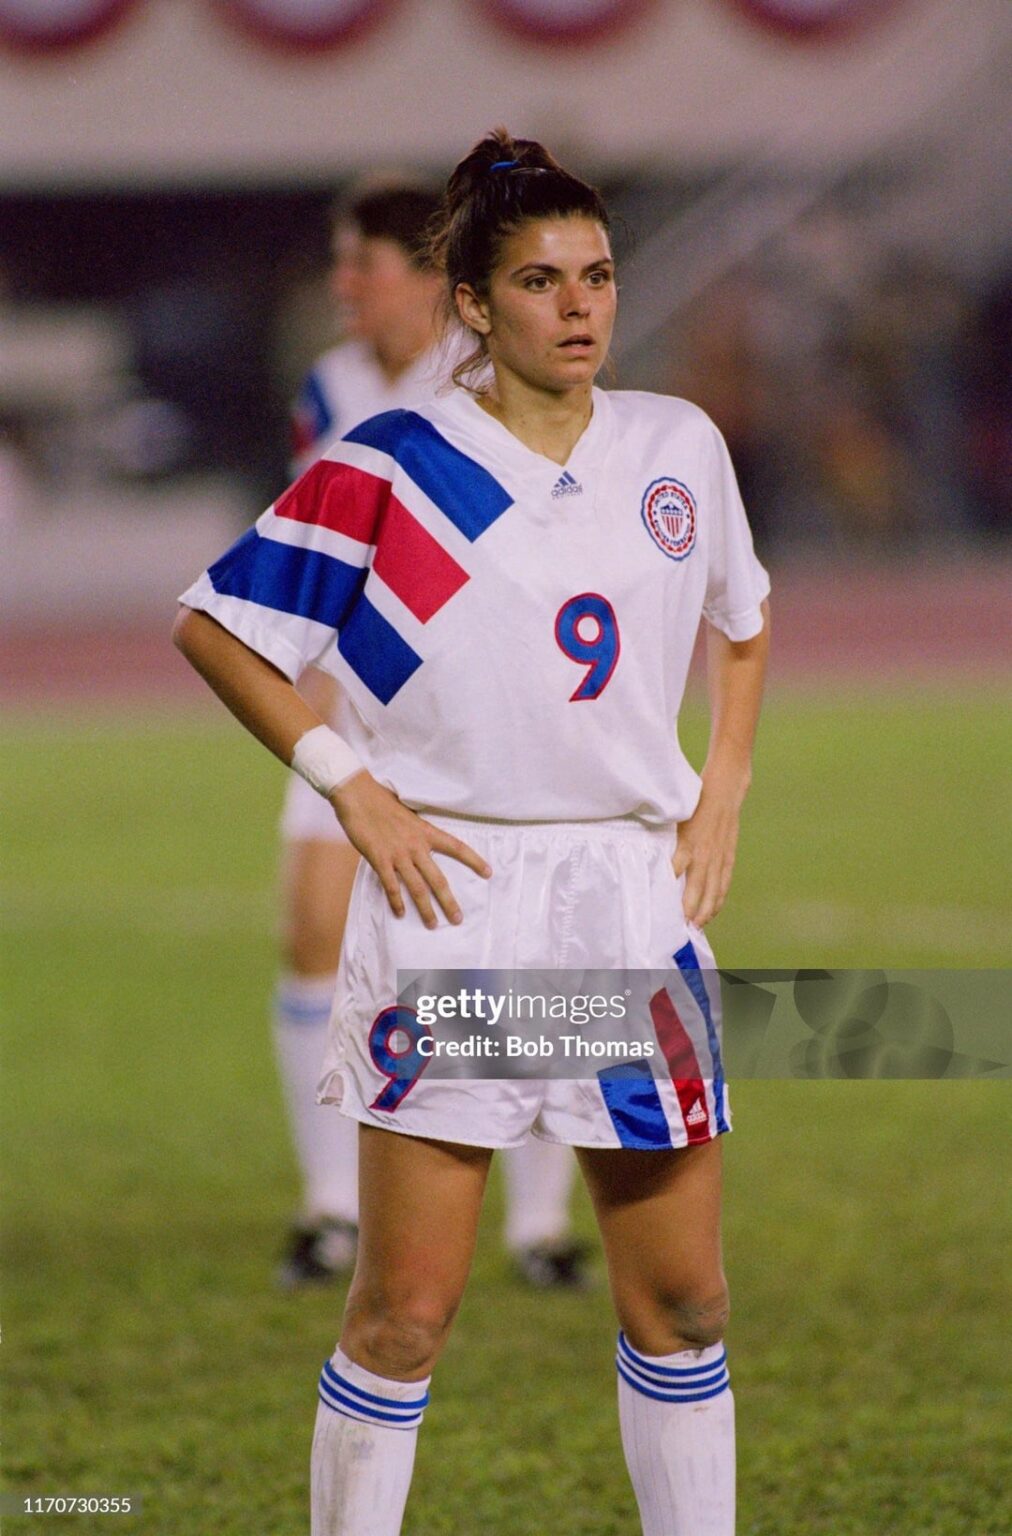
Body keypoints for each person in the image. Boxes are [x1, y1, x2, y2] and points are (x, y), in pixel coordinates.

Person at [174, 128, 769, 1536]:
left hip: (627, 901)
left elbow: (743, 623)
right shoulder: (395, 466)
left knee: (685, 1300)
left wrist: (722, 786)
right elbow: (217, 624)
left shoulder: (677, 446)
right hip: (461, 904)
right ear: (474, 305)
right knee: (404, 1317)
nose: (580, 306)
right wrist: (348, 781)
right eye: (542, 280)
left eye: (600, 275)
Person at [273, 179, 588, 1290]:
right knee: (312, 929)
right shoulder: (332, 385)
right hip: (356, 704)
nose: (342, 288)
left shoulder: (491, 377)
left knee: (524, 958)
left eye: (359, 266)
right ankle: (329, 1209)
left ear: (421, 277)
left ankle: (538, 1223)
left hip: (478, 714)